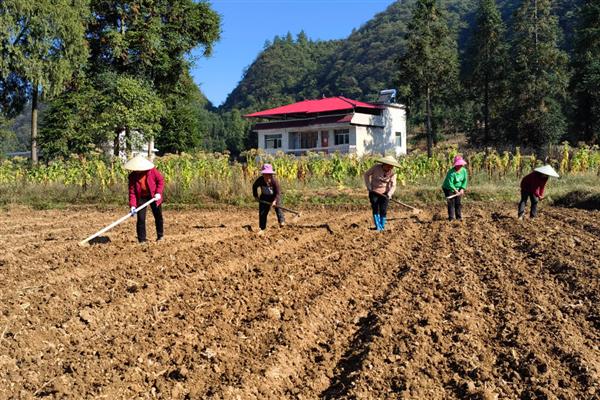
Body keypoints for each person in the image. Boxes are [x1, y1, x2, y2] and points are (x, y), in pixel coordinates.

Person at [124, 155, 165, 242]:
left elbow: (160, 180)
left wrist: (158, 192)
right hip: (141, 197)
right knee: (141, 218)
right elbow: (132, 192)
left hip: (153, 196)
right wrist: (133, 205)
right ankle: (142, 240)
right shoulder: (132, 176)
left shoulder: (152, 171)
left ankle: (160, 236)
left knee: (158, 216)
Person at [364, 155, 399, 231]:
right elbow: (366, 175)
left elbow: (393, 185)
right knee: (375, 207)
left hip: (385, 194)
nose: (390, 168)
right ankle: (378, 226)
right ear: (384, 164)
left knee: (383, 210)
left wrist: (389, 194)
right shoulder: (376, 168)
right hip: (374, 191)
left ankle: (382, 226)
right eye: (388, 166)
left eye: (391, 166)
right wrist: (368, 186)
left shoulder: (393, 173)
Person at [252, 164, 285, 233]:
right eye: (265, 175)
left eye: (269, 175)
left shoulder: (274, 181)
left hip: (274, 196)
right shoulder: (260, 180)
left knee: (278, 208)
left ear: (271, 175)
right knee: (262, 212)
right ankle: (262, 228)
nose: (267, 177)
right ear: (263, 174)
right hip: (264, 196)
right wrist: (256, 196)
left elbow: (278, 193)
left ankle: (281, 221)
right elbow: (254, 186)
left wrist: (274, 201)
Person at [442, 155, 468, 221]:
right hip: (448, 187)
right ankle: (451, 218)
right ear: (455, 165)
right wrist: (455, 190)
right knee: (451, 202)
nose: (460, 166)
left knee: (458, 202)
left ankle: (459, 218)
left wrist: (462, 189)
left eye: (461, 164)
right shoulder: (451, 172)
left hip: (458, 187)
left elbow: (465, 180)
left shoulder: (464, 171)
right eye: (459, 164)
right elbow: (450, 183)